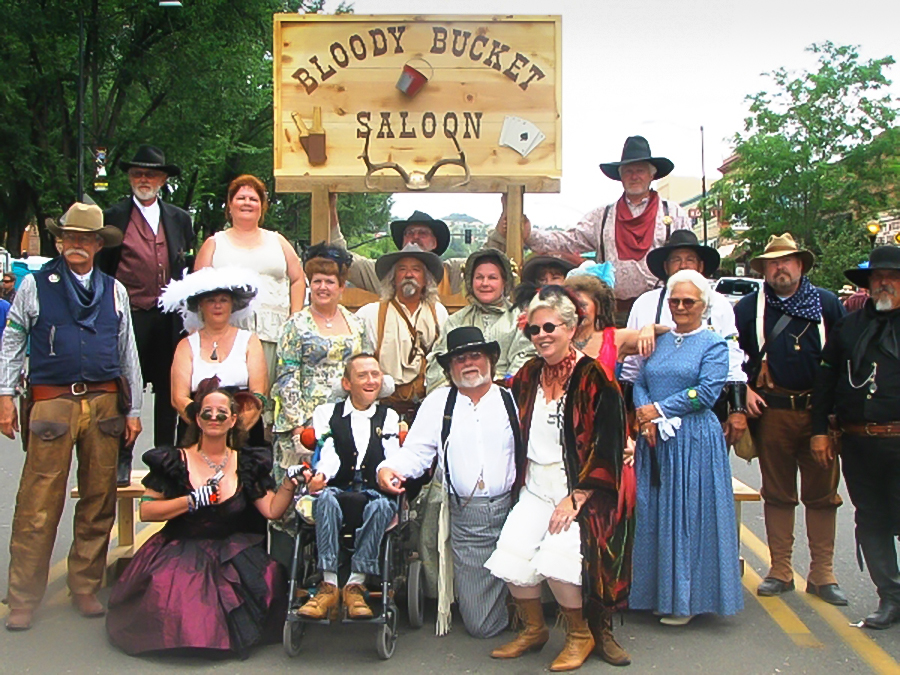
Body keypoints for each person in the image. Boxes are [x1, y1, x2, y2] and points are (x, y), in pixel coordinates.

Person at [0, 203, 143, 631]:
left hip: (104, 404)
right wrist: (5, 394)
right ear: (61, 242)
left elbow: (126, 351)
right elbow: (12, 341)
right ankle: (23, 595)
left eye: (85, 239)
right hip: (51, 401)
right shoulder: (35, 287)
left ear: (98, 245)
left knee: (99, 499)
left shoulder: (114, 290)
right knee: (37, 502)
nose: (77, 245)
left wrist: (133, 407)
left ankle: (84, 583)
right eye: (70, 238)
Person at [485, 285, 633, 671]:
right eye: (534, 330)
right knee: (512, 557)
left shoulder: (595, 378)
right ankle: (535, 630)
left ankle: (581, 635)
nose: (541, 336)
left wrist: (579, 497)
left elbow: (609, 445)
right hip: (535, 486)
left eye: (550, 327)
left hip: (578, 489)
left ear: (570, 327)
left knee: (558, 560)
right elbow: (500, 413)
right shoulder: (529, 374)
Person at [106, 379, 305, 656]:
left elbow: (272, 511)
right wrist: (190, 501)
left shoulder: (247, 462)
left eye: (222, 412)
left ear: (233, 419)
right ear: (197, 419)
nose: (214, 417)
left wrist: (289, 484)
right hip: (180, 548)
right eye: (206, 412)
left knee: (269, 577)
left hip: (231, 552)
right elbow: (147, 509)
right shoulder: (175, 460)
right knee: (179, 596)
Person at [378, 326, 520, 638]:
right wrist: (389, 468)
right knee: (481, 626)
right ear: (449, 368)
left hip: (515, 512)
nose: (468, 363)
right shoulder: (439, 403)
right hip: (468, 517)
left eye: (475, 356)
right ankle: (508, 613)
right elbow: (416, 453)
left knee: (528, 584)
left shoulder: (512, 399)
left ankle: (528, 617)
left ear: (491, 360)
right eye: (459, 359)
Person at [734, 233, 847, 604]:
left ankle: (822, 574)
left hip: (818, 414)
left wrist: (833, 417)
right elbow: (736, 357)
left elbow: (843, 361)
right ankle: (780, 569)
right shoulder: (749, 308)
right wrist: (745, 389)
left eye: (787, 261)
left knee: (822, 495)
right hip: (773, 412)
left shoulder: (827, 304)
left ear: (800, 265)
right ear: (764, 269)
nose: (780, 268)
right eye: (772, 263)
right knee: (778, 493)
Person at [631, 269, 743, 625]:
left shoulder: (713, 344)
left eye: (688, 301)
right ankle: (653, 594)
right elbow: (639, 379)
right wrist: (645, 413)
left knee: (688, 517)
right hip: (655, 440)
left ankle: (685, 599)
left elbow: (707, 392)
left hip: (693, 440)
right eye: (675, 300)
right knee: (655, 515)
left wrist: (660, 409)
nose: (680, 307)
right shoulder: (659, 340)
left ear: (703, 305)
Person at [490, 136, 691, 323]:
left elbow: (689, 259)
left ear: (652, 174)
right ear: (620, 177)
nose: (634, 176)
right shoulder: (602, 216)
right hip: (613, 311)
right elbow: (569, 241)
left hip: (660, 307)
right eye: (628, 171)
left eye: (640, 170)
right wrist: (530, 235)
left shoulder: (673, 214)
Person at [811, 246, 900, 629]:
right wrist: (818, 431)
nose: (884, 283)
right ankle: (891, 596)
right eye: (877, 278)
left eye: (893, 277)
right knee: (871, 519)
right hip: (859, 442)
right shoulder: (848, 326)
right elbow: (826, 382)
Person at [98, 144, 194, 484]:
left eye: (150, 174)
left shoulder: (180, 219)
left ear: (162, 179)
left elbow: (187, 268)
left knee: (171, 390)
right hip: (129, 314)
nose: (143, 179)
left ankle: (164, 461)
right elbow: (103, 269)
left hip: (168, 316)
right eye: (137, 173)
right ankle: (123, 457)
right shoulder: (113, 216)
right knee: (126, 389)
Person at [269, 244, 370, 559]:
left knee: (338, 491)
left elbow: (363, 370)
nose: (323, 287)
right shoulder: (295, 325)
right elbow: (286, 375)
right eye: (317, 281)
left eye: (330, 281)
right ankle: (286, 573)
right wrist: (300, 425)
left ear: (342, 287)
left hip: (343, 420)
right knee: (295, 497)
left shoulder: (357, 325)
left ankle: (335, 568)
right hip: (304, 422)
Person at [297, 354, 401, 621]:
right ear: (347, 383)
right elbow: (328, 450)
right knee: (327, 500)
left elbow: (391, 456)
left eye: (375, 374)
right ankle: (329, 583)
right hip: (339, 484)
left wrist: (387, 475)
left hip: (373, 488)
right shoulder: (327, 414)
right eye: (362, 375)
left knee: (381, 506)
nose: (370, 380)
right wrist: (322, 474)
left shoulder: (388, 416)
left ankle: (356, 582)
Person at [622, 229, 749, 445]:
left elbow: (733, 359)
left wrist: (738, 409)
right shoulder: (645, 303)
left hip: (704, 414)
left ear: (700, 267)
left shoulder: (719, 304)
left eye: (690, 260)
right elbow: (632, 366)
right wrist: (634, 412)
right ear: (665, 266)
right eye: (676, 260)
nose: (683, 266)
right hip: (650, 417)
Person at [194, 174, 306, 385]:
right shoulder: (214, 243)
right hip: (228, 335)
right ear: (229, 205)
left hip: (274, 335)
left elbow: (298, 278)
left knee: (270, 395)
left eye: (253, 199)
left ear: (262, 206)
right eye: (241, 198)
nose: (247, 203)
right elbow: (196, 292)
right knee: (234, 398)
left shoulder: (278, 241)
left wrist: (295, 318)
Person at [159, 266, 268, 444]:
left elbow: (259, 394)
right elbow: (178, 398)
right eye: (211, 300)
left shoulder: (250, 341)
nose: (217, 306)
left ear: (232, 304)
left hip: (244, 432)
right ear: (200, 305)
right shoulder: (186, 345)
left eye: (223, 300)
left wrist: (234, 430)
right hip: (196, 433)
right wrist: (207, 428)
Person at [356, 244, 448, 421]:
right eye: (402, 269)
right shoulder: (370, 314)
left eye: (416, 269)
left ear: (425, 279)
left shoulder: (439, 313)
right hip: (382, 409)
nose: (409, 275)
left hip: (428, 408)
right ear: (393, 278)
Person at [425, 248, 534, 392]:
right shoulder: (456, 320)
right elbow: (438, 364)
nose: (485, 283)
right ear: (470, 282)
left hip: (506, 397)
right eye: (479, 277)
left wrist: (494, 391)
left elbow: (524, 360)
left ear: (505, 283)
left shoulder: (519, 319)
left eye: (492, 278)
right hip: (459, 397)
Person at [330, 202, 466, 295]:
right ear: (403, 242)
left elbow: (485, 258)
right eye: (409, 233)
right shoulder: (384, 274)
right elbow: (340, 258)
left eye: (423, 233)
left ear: (435, 243)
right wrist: (330, 207)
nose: (415, 237)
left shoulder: (452, 273)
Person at [563, 265, 667, 376]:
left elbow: (676, 335)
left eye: (583, 305)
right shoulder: (556, 337)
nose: (577, 311)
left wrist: (651, 328)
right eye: (571, 305)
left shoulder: (617, 338)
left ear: (598, 308)